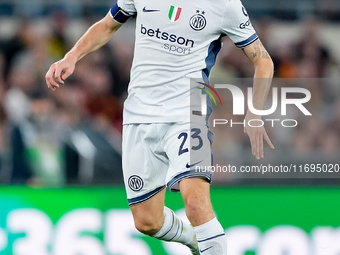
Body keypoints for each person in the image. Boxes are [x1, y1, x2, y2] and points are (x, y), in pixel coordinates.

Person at [46, 0, 274, 254]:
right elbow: (108, 25)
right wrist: (72, 56)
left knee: (196, 204)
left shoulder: (224, 5)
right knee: (147, 221)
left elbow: (263, 61)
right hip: (139, 112)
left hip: (189, 109)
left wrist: (254, 112)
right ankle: (195, 241)